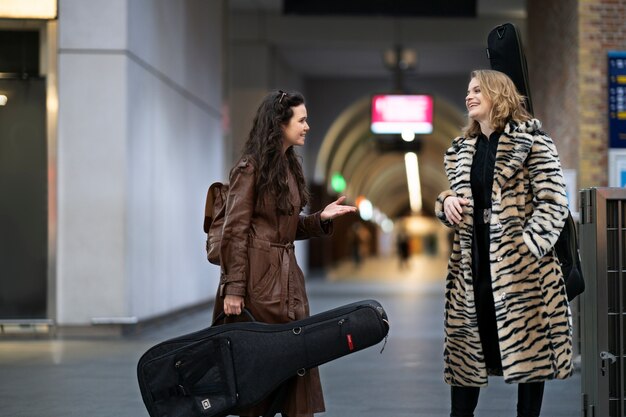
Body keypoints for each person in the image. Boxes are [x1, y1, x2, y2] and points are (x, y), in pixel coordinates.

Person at [434, 70, 573, 417]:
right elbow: (457, 198)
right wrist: (446, 201)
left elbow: (554, 202)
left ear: (499, 95)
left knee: (530, 355)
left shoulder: (533, 141)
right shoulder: (462, 150)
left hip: (522, 269)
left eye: (478, 89)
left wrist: (527, 248)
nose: (469, 96)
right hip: (473, 264)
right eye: (468, 90)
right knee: (467, 352)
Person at [213, 89, 357, 417]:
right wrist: (234, 289)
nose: (307, 126)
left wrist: (319, 219)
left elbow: (285, 230)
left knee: (296, 367)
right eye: (301, 120)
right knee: (260, 371)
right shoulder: (250, 168)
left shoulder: (288, 168)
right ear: (280, 123)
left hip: (288, 283)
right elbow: (234, 231)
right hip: (257, 285)